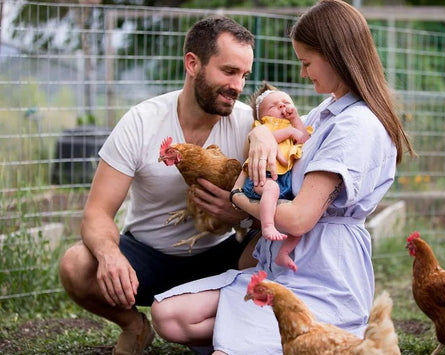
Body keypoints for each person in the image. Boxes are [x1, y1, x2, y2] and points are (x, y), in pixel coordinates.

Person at [151, 0, 415, 353]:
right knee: (167, 316)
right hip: (283, 268)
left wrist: (238, 198)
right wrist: (259, 135)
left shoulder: (356, 126)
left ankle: (296, 340)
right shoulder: (328, 110)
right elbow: (279, 132)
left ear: (335, 54)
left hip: (322, 277)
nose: (303, 74)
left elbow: (300, 218)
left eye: (307, 62)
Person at [58, 16, 260, 355]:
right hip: (147, 259)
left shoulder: (248, 124)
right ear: (192, 64)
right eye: (228, 71)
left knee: (271, 253)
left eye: (244, 75)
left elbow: (275, 212)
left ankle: (230, 329)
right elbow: (96, 213)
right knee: (76, 265)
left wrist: (236, 214)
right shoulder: (142, 121)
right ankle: (135, 326)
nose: (238, 86)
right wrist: (109, 255)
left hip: (220, 257)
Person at [238, 83, 312, 272]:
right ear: (261, 116)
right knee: (272, 189)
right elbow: (268, 139)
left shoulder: (294, 125)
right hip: (262, 180)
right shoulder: (262, 128)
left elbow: (303, 139)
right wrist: (288, 131)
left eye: (285, 102)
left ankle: (283, 253)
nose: (281, 106)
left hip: (285, 182)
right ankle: (267, 226)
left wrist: (295, 120)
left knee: (300, 219)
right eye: (273, 106)